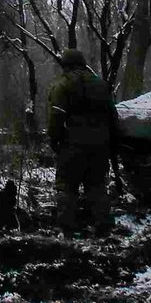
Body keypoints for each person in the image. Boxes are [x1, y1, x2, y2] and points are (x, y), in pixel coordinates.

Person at [44, 47, 117, 235]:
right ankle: (103, 226)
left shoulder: (62, 85)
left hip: (72, 145)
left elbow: (56, 117)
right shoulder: (101, 85)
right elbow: (113, 117)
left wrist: (55, 140)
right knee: (97, 185)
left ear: (65, 65)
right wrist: (111, 143)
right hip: (100, 145)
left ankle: (66, 229)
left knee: (67, 186)